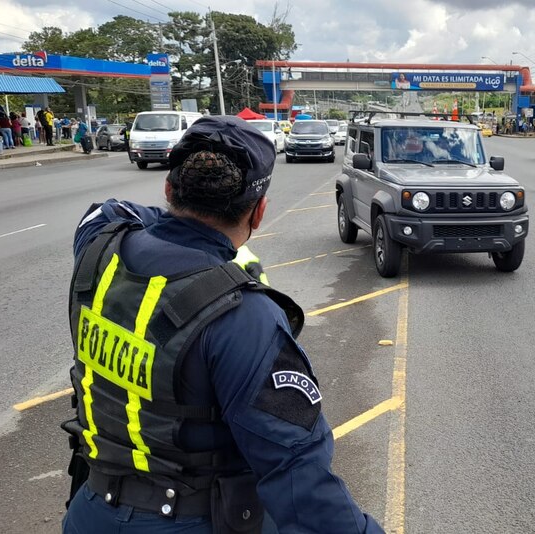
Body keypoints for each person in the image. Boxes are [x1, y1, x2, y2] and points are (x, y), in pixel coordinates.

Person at [61, 115, 383, 534]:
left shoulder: (99, 246)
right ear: (260, 212)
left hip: (90, 512)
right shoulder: (244, 317)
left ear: (168, 188)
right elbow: (298, 480)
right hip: (192, 519)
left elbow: (112, 209)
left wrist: (180, 222)